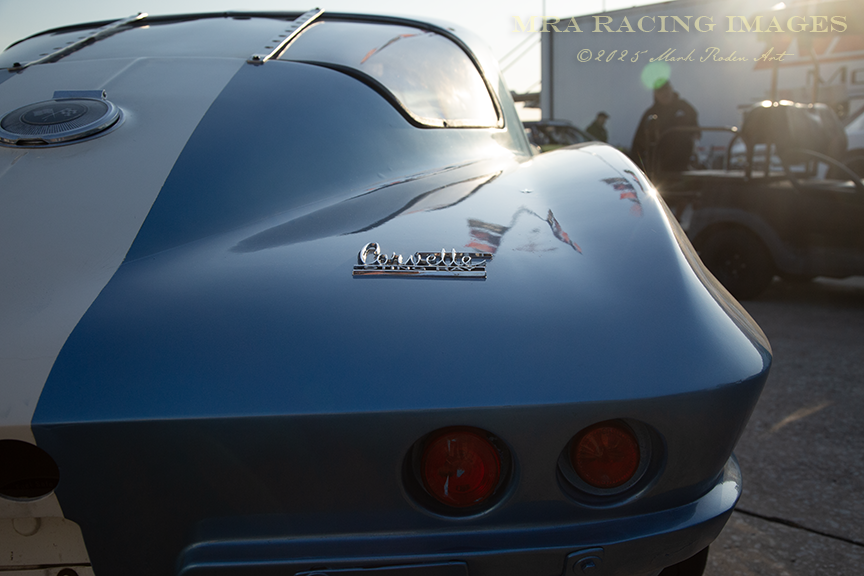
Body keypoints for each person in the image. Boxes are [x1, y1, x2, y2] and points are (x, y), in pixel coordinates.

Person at [630, 81, 698, 174]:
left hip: (684, 162)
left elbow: (696, 131)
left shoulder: (685, 108)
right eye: (660, 91)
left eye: (666, 90)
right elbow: (638, 144)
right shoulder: (650, 114)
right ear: (655, 94)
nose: (664, 94)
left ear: (671, 89)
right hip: (660, 167)